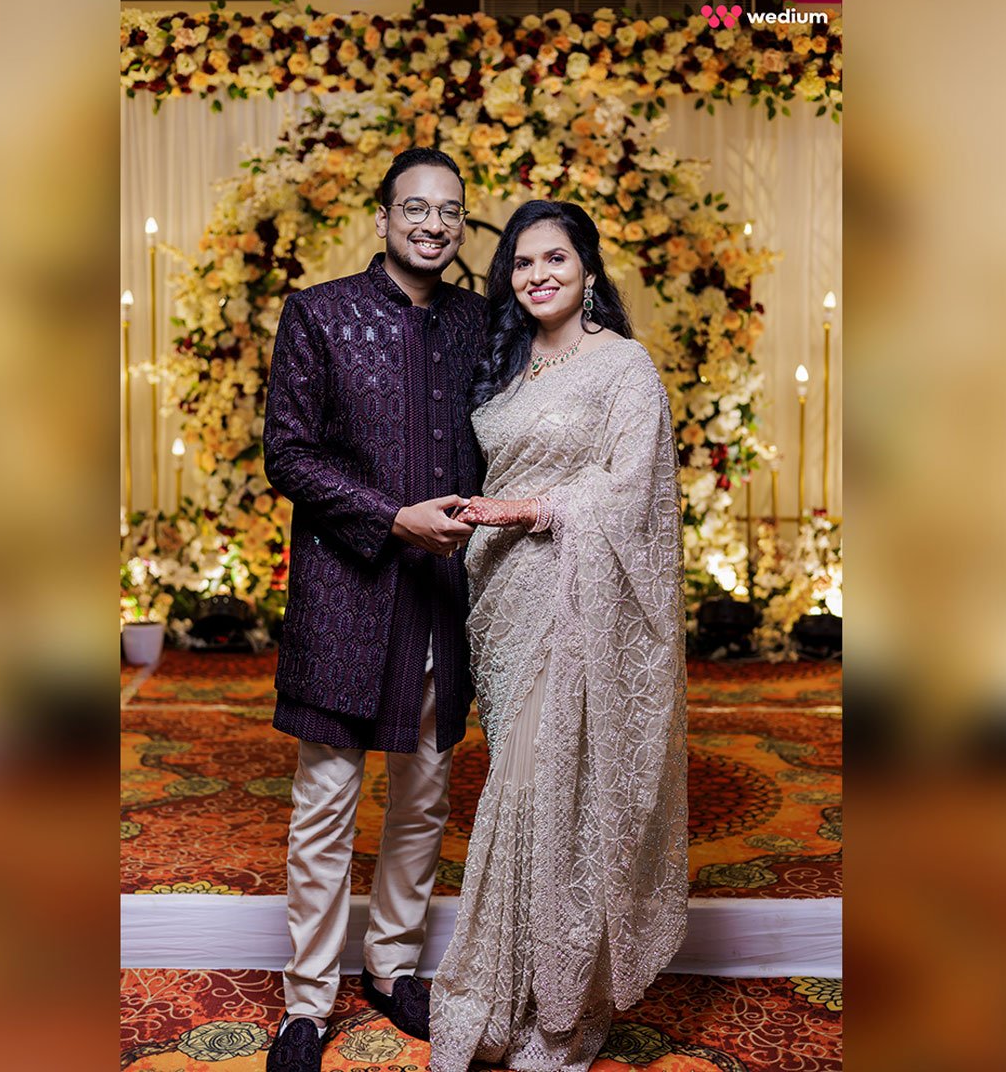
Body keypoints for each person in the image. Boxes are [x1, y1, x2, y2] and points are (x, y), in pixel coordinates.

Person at [429, 200, 688, 1072]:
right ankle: (505, 995)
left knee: (557, 793)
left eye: (555, 259)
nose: (537, 275)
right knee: (517, 785)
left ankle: (558, 1011)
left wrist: (532, 509)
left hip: (577, 602)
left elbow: (633, 489)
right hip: (500, 598)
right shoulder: (504, 363)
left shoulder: (623, 367)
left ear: (588, 270)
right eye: (522, 262)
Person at [261, 148, 485, 1072]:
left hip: (442, 598)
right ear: (384, 218)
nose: (433, 224)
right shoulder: (319, 314)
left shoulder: (480, 321)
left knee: (424, 797)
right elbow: (288, 453)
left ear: (462, 225)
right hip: (346, 593)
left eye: (450, 211)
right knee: (325, 804)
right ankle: (306, 1003)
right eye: (415, 208)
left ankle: (392, 967)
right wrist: (392, 518)